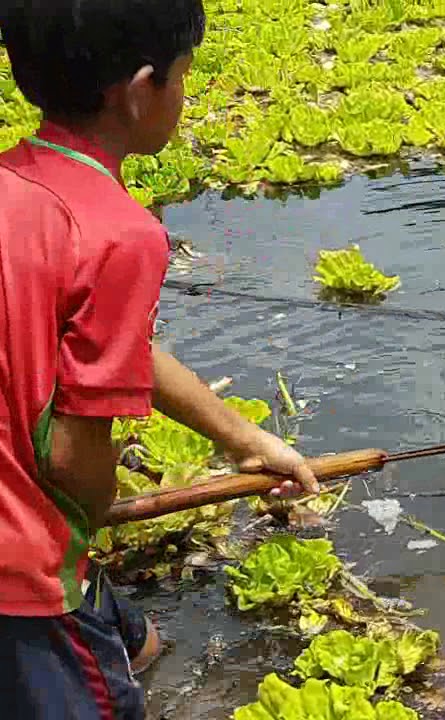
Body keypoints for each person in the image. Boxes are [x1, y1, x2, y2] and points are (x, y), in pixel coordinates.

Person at [0, 1, 320, 716]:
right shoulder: (119, 234)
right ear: (142, 90)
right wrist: (94, 508)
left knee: (140, 648)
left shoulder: (12, 186)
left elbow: (118, 353)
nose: (184, 93)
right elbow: (72, 458)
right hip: (20, 570)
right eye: (184, 76)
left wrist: (242, 438)